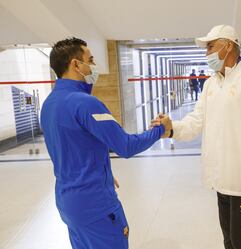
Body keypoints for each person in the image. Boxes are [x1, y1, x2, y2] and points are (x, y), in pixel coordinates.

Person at [152, 25, 241, 249]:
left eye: (210, 46)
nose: (206, 53)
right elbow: (197, 120)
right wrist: (172, 128)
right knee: (230, 241)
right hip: (222, 181)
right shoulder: (212, 83)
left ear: (228, 46)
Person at [41, 37, 171, 249]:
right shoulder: (86, 103)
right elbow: (126, 146)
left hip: (68, 203)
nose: (94, 67)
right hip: (96, 205)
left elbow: (71, 148)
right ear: (76, 64)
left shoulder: (49, 104)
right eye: (90, 60)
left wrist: (102, 171)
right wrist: (160, 129)